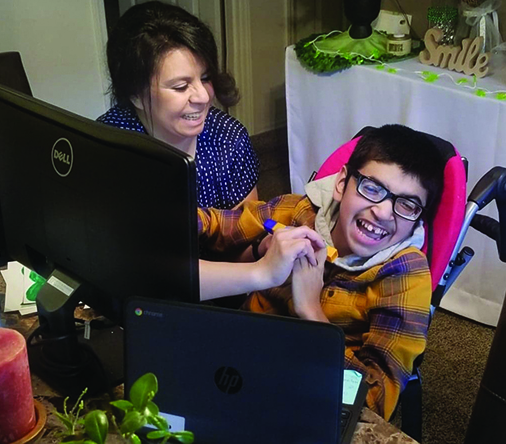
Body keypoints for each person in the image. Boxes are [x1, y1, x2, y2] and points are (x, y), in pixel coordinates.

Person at [197, 124, 445, 421]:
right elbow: (216, 225)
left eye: (407, 204)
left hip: (310, 400)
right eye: (372, 188)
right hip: (237, 366)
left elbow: (375, 402)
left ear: (419, 218)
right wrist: (255, 248)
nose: (383, 212)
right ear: (341, 183)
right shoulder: (298, 213)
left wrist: (312, 313)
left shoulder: (405, 276)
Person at [97, 1, 259, 209]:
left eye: (206, 78)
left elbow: (247, 230)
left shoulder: (229, 139)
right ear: (135, 94)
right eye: (181, 87)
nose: (203, 96)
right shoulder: (106, 147)